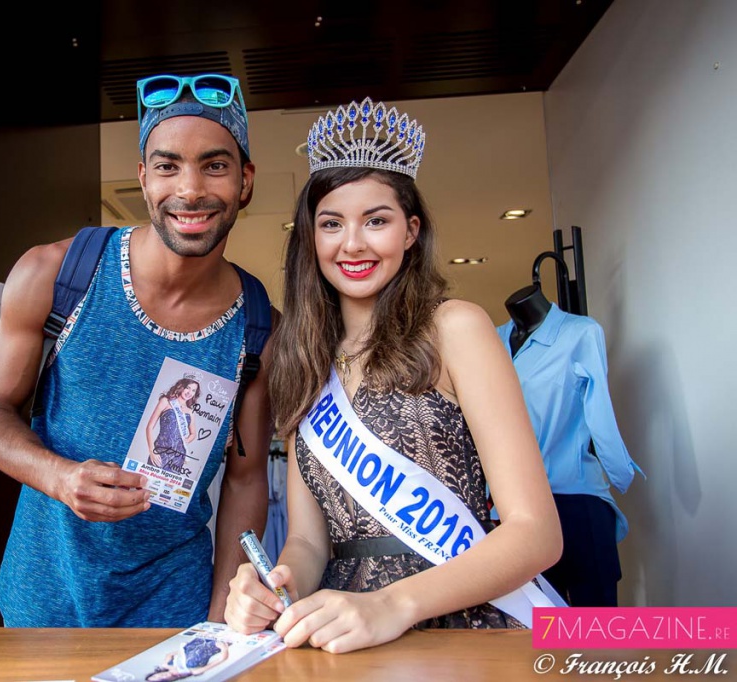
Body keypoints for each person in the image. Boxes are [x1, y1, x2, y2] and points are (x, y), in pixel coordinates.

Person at [224, 98, 562, 653]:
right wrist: (274, 586)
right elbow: (308, 543)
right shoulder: (303, 360)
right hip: (347, 636)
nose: (353, 243)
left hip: (467, 628)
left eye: (376, 221)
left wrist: (391, 605)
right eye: (331, 224)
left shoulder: (455, 328)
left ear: (410, 231)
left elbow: (537, 534)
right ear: (311, 237)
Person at [0, 73, 276, 627]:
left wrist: (219, 621)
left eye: (215, 165)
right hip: (44, 601)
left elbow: (246, 479)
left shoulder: (259, 327)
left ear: (245, 181)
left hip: (174, 610)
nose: (190, 190)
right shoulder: (55, 273)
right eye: (167, 166)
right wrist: (59, 477)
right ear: (143, 177)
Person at [499, 283, 643, 606]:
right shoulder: (493, 341)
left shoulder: (581, 334)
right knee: (532, 625)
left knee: (594, 626)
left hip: (575, 501)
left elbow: (599, 410)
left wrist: (620, 471)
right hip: (514, 509)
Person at [147, 377, 201, 473]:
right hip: (160, 452)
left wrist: (184, 441)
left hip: (177, 457)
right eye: (188, 388)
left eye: (193, 390)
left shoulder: (190, 412)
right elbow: (149, 427)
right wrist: (151, 450)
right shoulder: (166, 401)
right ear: (181, 387)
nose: (189, 392)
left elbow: (193, 434)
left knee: (168, 482)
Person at [146, 637, 229, 681]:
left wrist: (184, 649)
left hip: (201, 638)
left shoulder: (167, 664)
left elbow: (170, 654)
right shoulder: (193, 671)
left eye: (155, 676)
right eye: (159, 680)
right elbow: (221, 660)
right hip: (217, 643)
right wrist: (224, 648)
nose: (160, 676)